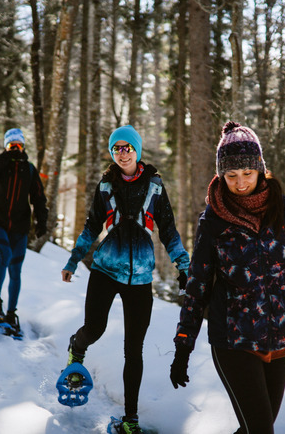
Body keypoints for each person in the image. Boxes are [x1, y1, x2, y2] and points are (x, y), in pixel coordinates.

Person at [169, 121, 285, 434]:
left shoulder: (284, 212)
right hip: (234, 341)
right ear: (221, 175)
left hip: (281, 341)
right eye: (231, 175)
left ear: (260, 169)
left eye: (247, 173)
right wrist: (183, 345)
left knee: (253, 429)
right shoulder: (214, 221)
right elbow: (197, 286)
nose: (240, 182)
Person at [62, 125, 190, 434]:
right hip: (105, 271)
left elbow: (168, 230)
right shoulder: (106, 185)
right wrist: (73, 260)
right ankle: (77, 348)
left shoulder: (155, 187)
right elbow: (91, 226)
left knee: (133, 350)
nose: (122, 153)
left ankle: (130, 420)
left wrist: (183, 265)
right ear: (112, 153)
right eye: (116, 148)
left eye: (127, 147)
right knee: (95, 328)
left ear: (137, 150)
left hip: (140, 279)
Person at [0, 128, 48, 333]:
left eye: (19, 145)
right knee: (4, 257)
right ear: (6, 146)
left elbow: (39, 198)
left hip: (19, 226)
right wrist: (5, 157)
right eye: (12, 145)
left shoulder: (29, 169)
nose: (15, 149)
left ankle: (11, 313)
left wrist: (42, 222)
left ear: (24, 147)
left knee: (16, 269)